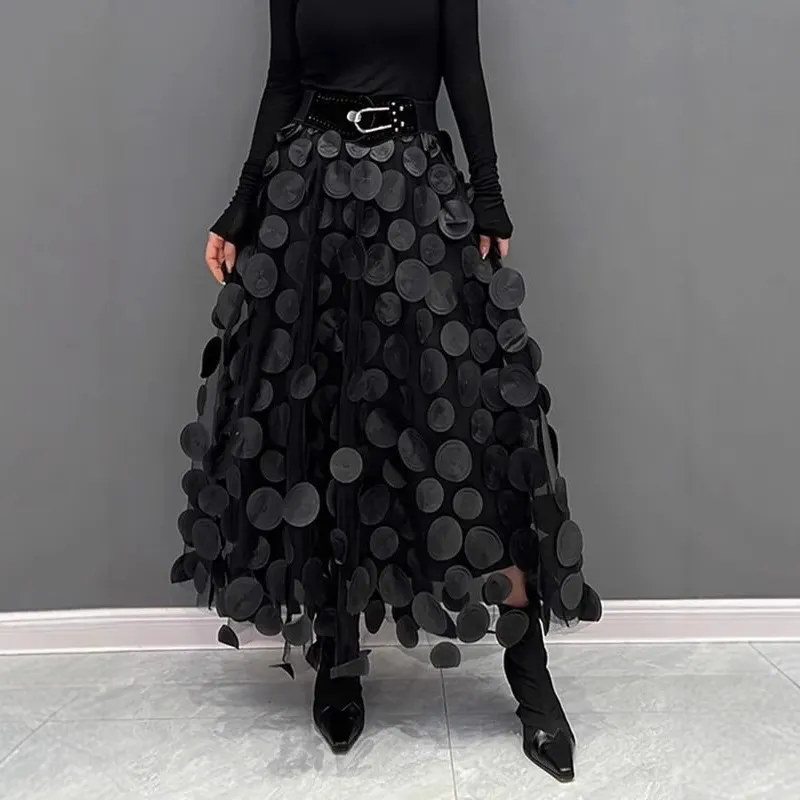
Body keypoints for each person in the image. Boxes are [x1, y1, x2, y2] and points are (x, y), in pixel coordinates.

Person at [173, 0, 602, 784]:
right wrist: (242, 204)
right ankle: (338, 653)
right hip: (310, 202)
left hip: (414, 192)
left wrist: (487, 191)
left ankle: (529, 673)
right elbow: (282, 83)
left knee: (468, 420)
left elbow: (463, 70)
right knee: (326, 420)